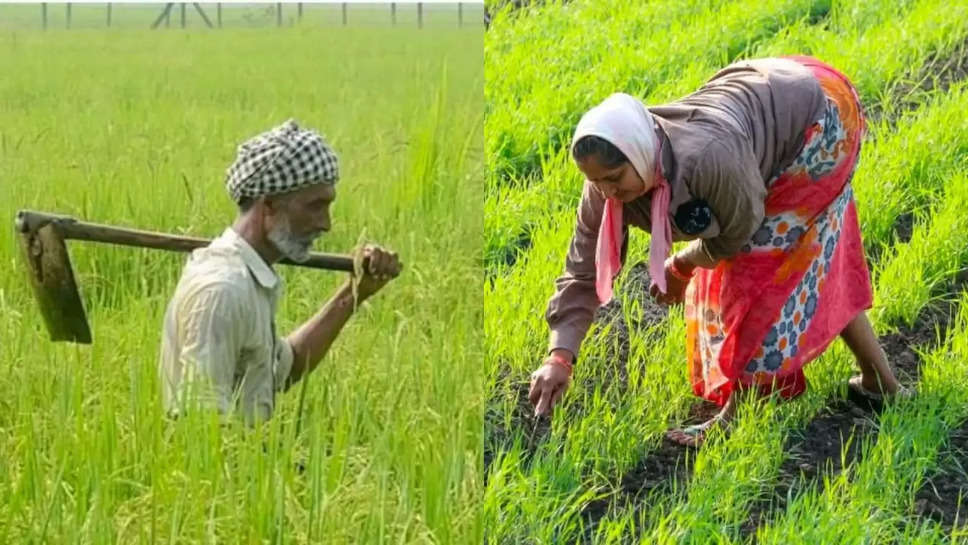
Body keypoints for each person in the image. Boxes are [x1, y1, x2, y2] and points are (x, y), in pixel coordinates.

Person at [527, 56, 910, 447]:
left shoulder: (706, 159)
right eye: (596, 182)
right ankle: (879, 383)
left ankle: (736, 416)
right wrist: (560, 356)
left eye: (614, 178)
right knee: (813, 262)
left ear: (640, 150)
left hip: (820, 122)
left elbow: (740, 231)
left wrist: (684, 263)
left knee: (756, 276)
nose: (607, 192)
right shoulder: (605, 190)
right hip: (768, 102)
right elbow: (583, 270)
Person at [160, 119, 402, 425]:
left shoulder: (248, 277)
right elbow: (198, 428)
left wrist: (354, 293)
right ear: (270, 205)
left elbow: (284, 370)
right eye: (315, 206)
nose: (326, 224)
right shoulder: (222, 291)